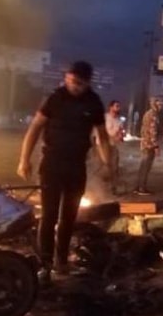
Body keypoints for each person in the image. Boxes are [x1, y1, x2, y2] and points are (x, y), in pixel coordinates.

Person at [17, 61, 110, 283]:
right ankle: (45, 264)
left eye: (79, 83)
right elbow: (35, 128)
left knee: (68, 217)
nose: (74, 86)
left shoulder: (93, 102)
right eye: (71, 81)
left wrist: (108, 164)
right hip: (52, 164)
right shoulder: (55, 98)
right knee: (48, 216)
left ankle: (61, 262)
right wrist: (24, 160)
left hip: (76, 166)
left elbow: (102, 136)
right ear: (66, 78)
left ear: (87, 82)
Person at [134, 97, 163, 195]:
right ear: (155, 104)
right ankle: (142, 188)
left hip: (144, 143)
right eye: (159, 104)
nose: (161, 107)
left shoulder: (147, 113)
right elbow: (153, 131)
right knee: (146, 167)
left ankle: (138, 187)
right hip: (149, 145)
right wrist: (156, 146)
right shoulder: (153, 115)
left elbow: (143, 129)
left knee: (143, 166)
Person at [104, 100, 125, 194]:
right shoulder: (106, 118)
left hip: (114, 145)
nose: (118, 108)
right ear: (111, 107)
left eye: (119, 106)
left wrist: (121, 135)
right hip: (103, 145)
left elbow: (121, 132)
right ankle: (100, 187)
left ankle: (113, 188)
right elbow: (108, 132)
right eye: (116, 106)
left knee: (114, 167)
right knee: (104, 167)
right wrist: (117, 131)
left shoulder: (119, 120)